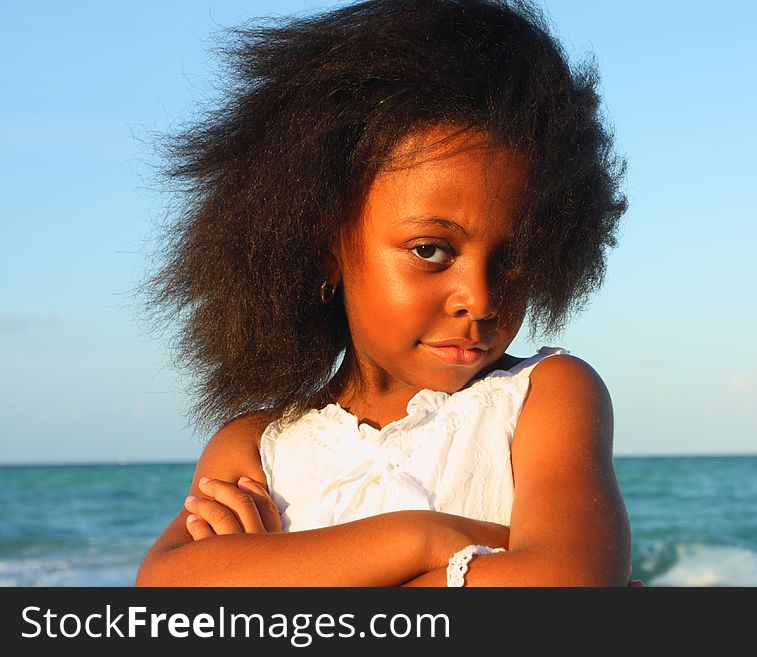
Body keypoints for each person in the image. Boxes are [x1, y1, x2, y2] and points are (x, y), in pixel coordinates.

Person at [135, 0, 632, 587]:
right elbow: (165, 596)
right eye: (430, 250)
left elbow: (563, 590)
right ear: (326, 247)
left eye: (516, 258)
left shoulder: (543, 397)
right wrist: (423, 538)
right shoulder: (253, 449)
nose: (480, 297)